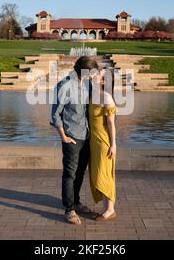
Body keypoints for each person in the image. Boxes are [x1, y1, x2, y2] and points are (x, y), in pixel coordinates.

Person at [50, 56, 99, 225]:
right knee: (70, 173)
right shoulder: (65, 85)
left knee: (80, 172)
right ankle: (69, 209)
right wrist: (63, 136)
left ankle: (76, 201)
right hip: (71, 136)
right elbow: (55, 114)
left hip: (86, 135)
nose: (92, 75)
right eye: (91, 71)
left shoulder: (88, 84)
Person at [88, 68, 118, 221]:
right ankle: (106, 208)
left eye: (98, 74)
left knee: (104, 173)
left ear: (103, 81)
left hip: (103, 142)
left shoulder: (106, 97)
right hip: (93, 141)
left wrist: (113, 145)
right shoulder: (91, 95)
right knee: (96, 173)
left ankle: (110, 210)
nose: (94, 74)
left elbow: (111, 124)